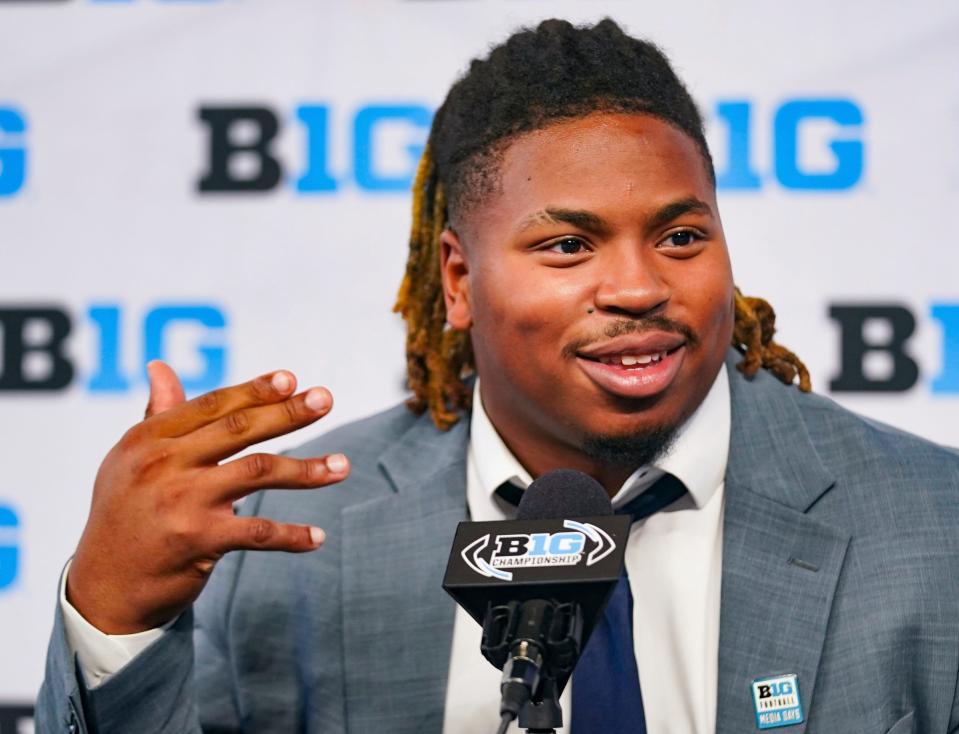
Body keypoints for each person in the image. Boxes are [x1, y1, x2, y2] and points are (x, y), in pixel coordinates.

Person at [39, 18, 959, 734]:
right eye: (568, 245)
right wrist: (115, 612)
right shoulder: (288, 552)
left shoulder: (931, 529)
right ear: (457, 279)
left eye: (681, 236)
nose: (639, 287)